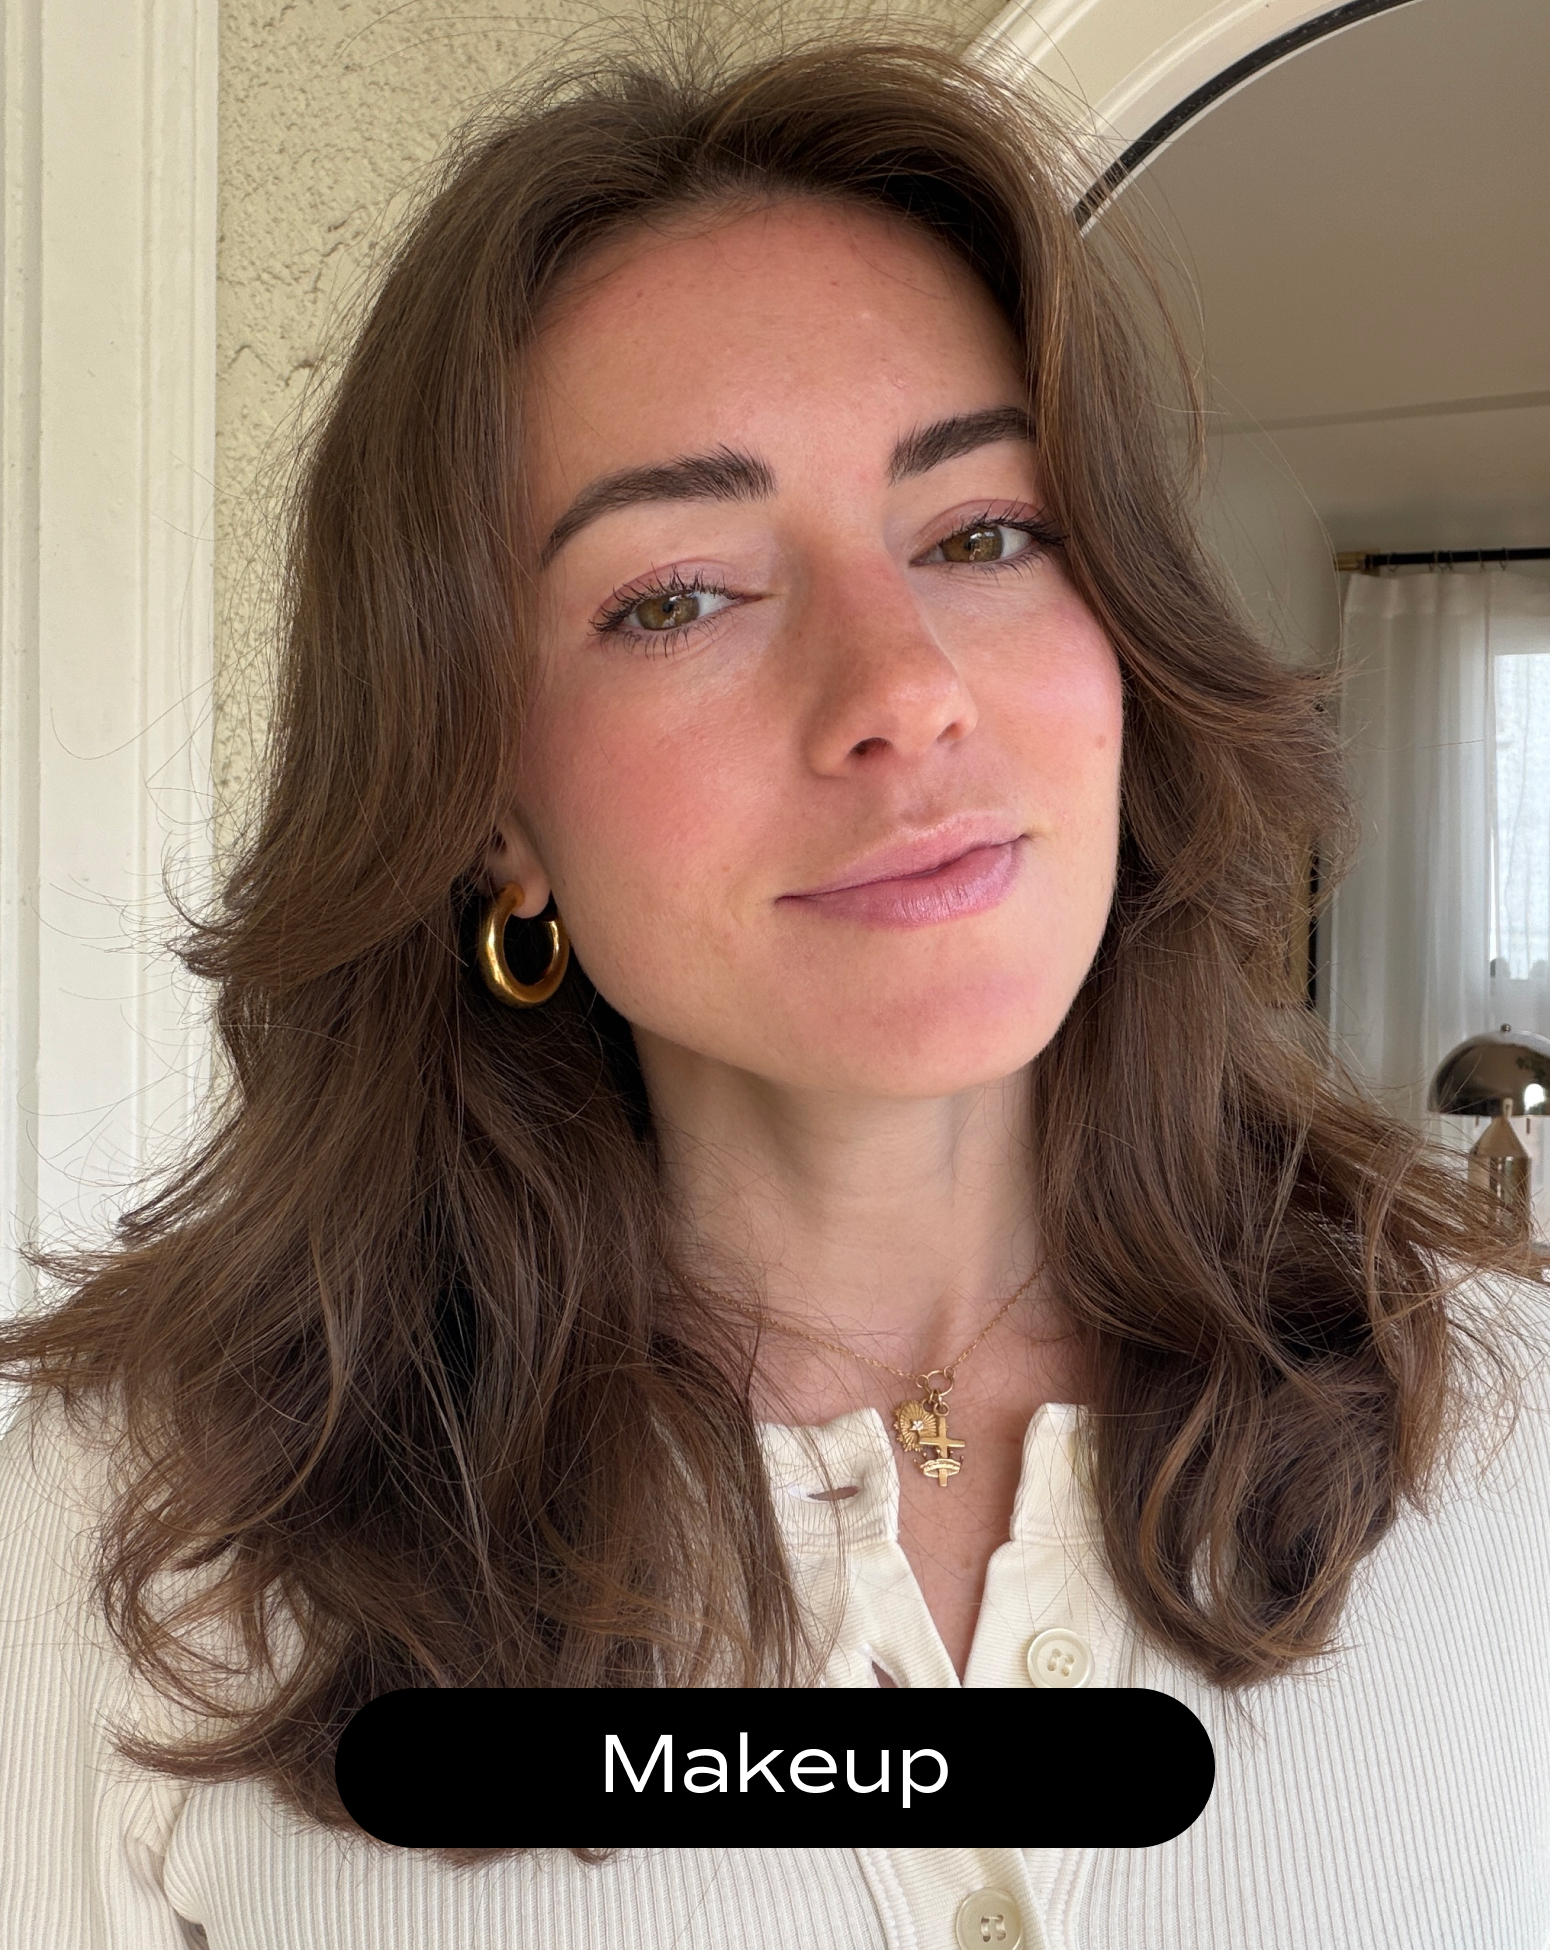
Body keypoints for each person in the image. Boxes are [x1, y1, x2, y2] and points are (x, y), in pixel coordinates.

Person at [2, 33, 1546, 1950]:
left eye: (982, 532)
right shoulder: (130, 1543)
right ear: (491, 804)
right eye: (677, 595)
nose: (900, 686)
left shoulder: (1502, 1424)